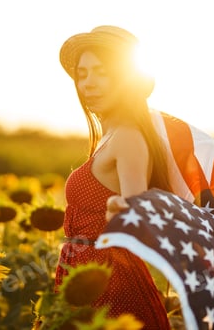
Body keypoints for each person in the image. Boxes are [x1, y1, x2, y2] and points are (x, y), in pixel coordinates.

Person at [55, 25, 172, 329]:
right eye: (83, 73)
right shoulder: (110, 137)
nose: (89, 83)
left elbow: (139, 219)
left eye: (102, 72)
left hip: (110, 282)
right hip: (86, 275)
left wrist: (123, 210)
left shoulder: (129, 137)